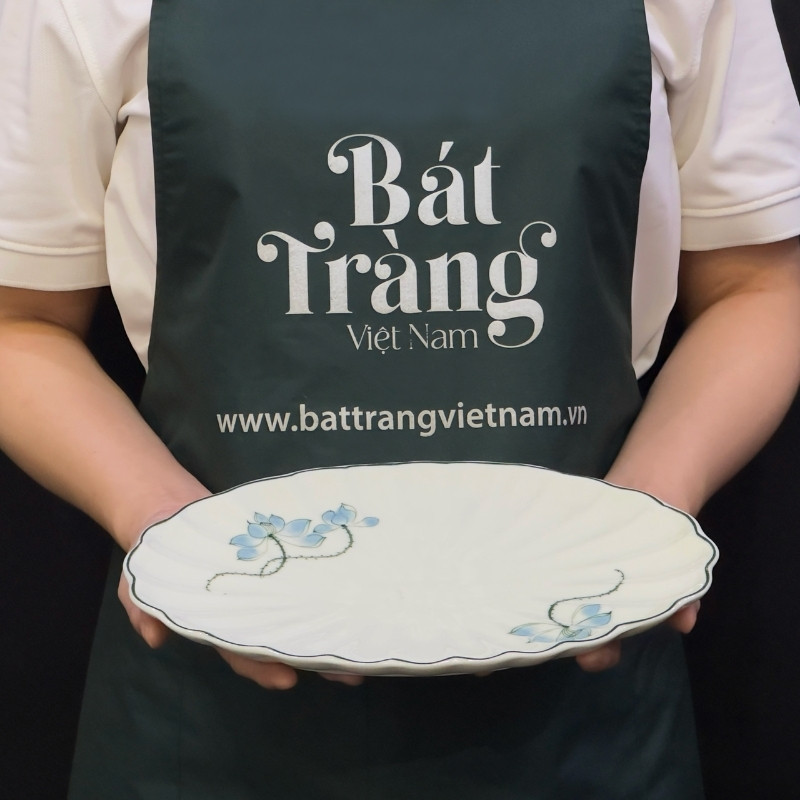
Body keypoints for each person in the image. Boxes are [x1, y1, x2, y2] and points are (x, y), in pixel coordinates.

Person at [1, 0, 799, 797]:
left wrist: (645, 518)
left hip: (585, 706)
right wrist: (160, 518)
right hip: (208, 717)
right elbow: (20, 322)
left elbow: (758, 285)